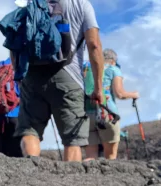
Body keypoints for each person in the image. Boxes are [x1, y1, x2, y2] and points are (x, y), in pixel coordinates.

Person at [12, 0, 104, 161]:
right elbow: (94, 44)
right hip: (69, 75)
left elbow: (14, 45)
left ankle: (32, 176)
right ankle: (69, 184)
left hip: (32, 75)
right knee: (72, 139)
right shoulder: (81, 4)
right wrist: (98, 87)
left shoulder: (30, 4)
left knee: (30, 132)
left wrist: (19, 75)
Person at [84, 49, 139, 161]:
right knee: (110, 157)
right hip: (107, 114)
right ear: (113, 60)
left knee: (90, 157)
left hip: (86, 115)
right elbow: (120, 94)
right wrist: (133, 94)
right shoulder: (113, 69)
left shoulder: (86, 68)